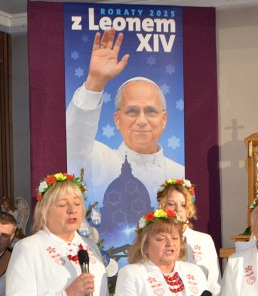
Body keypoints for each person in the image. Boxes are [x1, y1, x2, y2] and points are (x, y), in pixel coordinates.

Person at [66, 29, 183, 210]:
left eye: (151, 111)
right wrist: (95, 81)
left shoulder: (180, 173)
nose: (142, 120)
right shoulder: (100, 161)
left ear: (164, 119)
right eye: (132, 111)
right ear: (117, 119)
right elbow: (74, 139)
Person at [156, 178, 221, 290]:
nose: (178, 209)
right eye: (171, 204)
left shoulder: (205, 240)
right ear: (162, 207)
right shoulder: (154, 240)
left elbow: (214, 284)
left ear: (189, 209)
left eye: (183, 205)